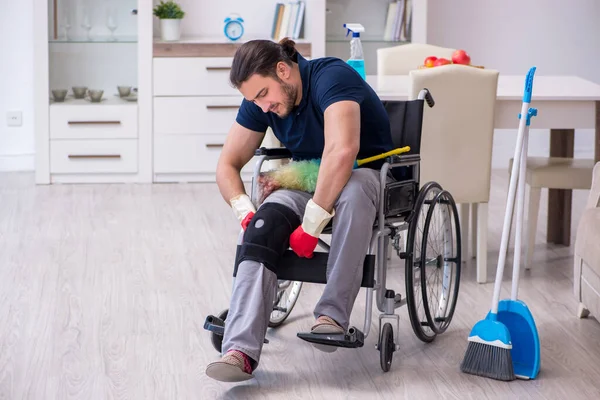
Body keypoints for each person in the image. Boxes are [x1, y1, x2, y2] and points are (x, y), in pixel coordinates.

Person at [206, 37, 395, 383]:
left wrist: (311, 227)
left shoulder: (331, 77)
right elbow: (226, 164)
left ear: (283, 70)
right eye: (253, 100)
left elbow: (342, 152)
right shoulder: (260, 101)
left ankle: (331, 316)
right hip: (308, 179)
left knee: (352, 193)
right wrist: (245, 212)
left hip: (365, 175)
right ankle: (240, 350)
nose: (261, 107)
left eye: (264, 95)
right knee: (265, 222)